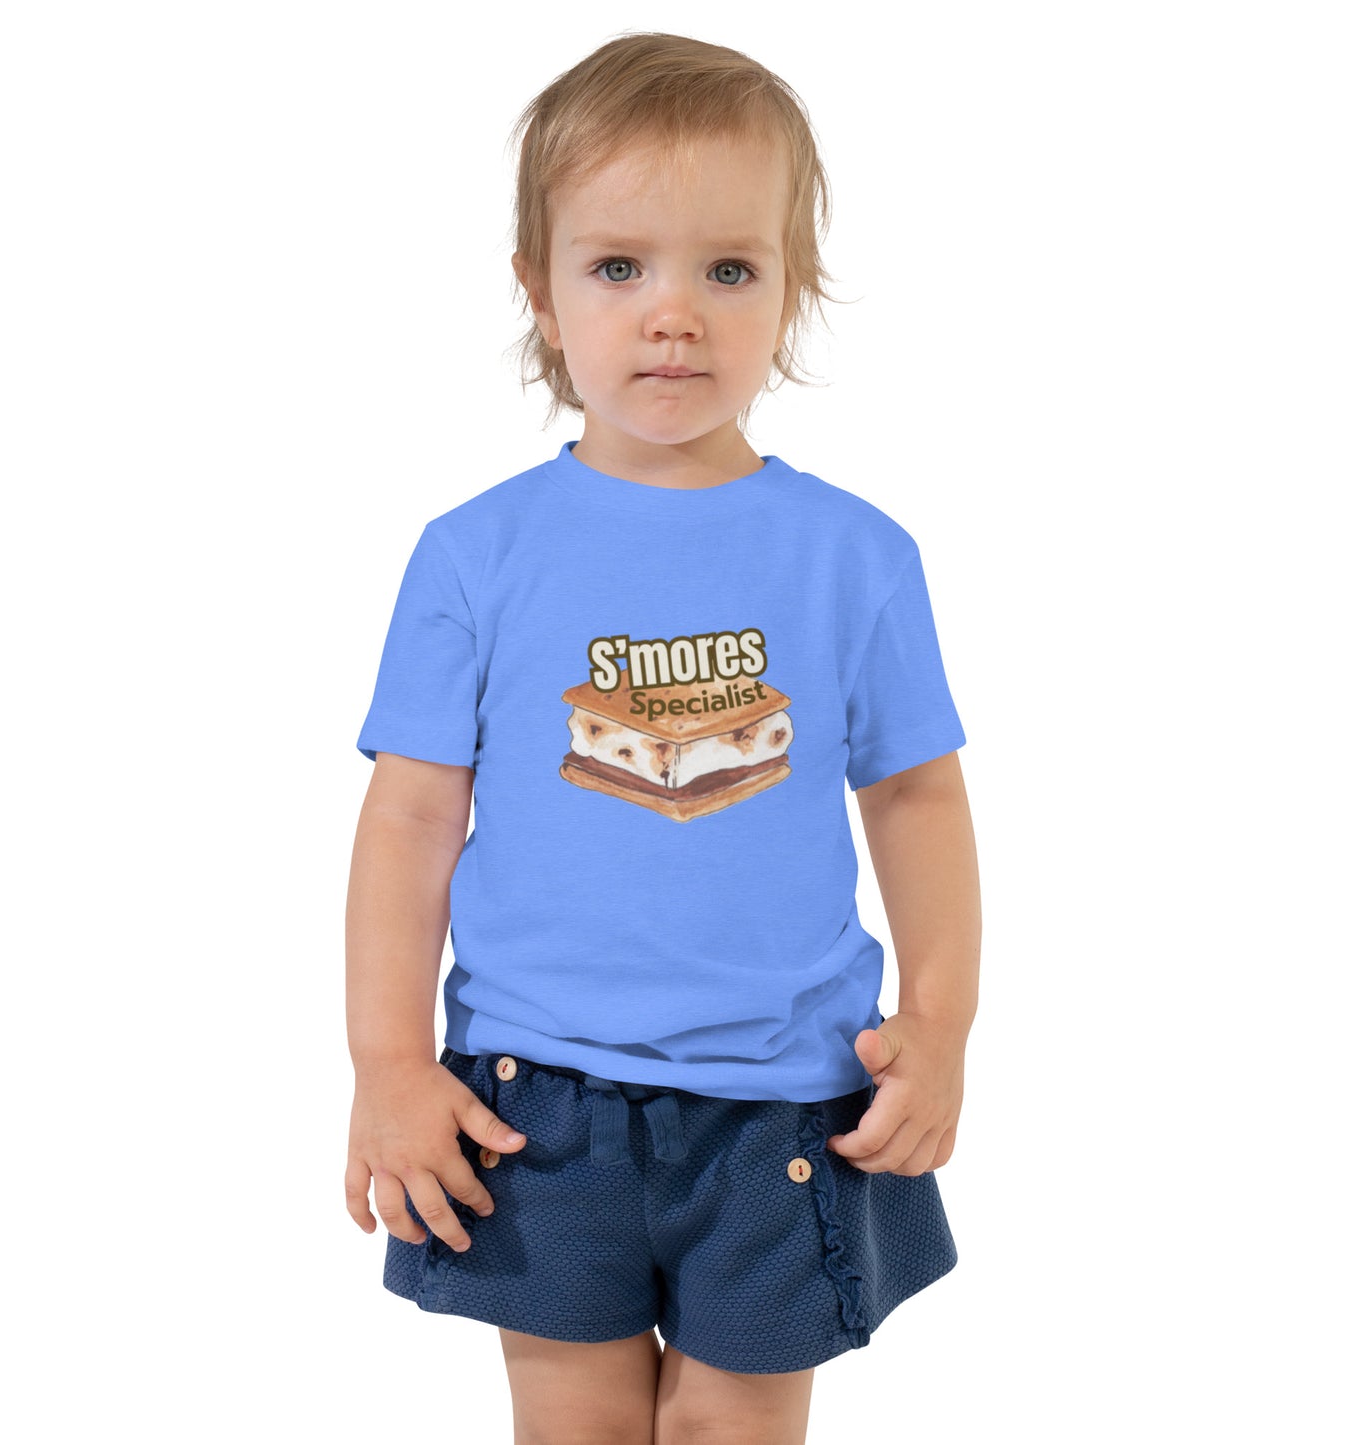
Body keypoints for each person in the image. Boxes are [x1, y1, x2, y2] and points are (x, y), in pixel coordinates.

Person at [345, 31, 981, 1445]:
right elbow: (409, 820)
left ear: (791, 287)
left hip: (786, 1095)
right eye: (619, 266)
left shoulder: (854, 557)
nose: (673, 315)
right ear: (541, 288)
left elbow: (919, 799)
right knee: (571, 1422)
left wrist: (939, 1024)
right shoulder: (474, 554)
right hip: (533, 1097)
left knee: (730, 1429)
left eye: (729, 270)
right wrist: (387, 1064)